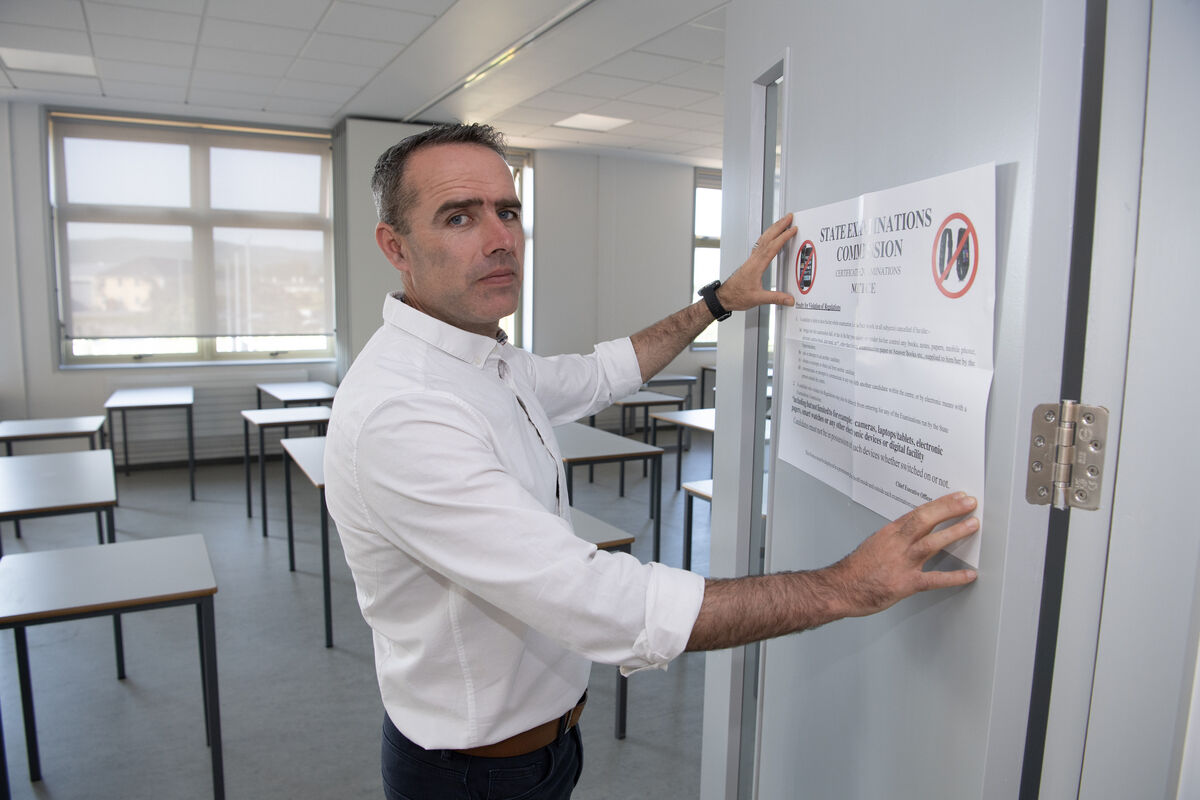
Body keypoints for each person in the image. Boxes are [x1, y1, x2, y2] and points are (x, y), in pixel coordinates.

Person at [323, 122, 979, 800]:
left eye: (508, 211)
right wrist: (844, 585)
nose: (500, 239)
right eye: (459, 216)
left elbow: (602, 372)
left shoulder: (485, 359)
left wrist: (718, 301)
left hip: (541, 745)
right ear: (394, 246)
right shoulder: (404, 410)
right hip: (471, 776)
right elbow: (595, 601)